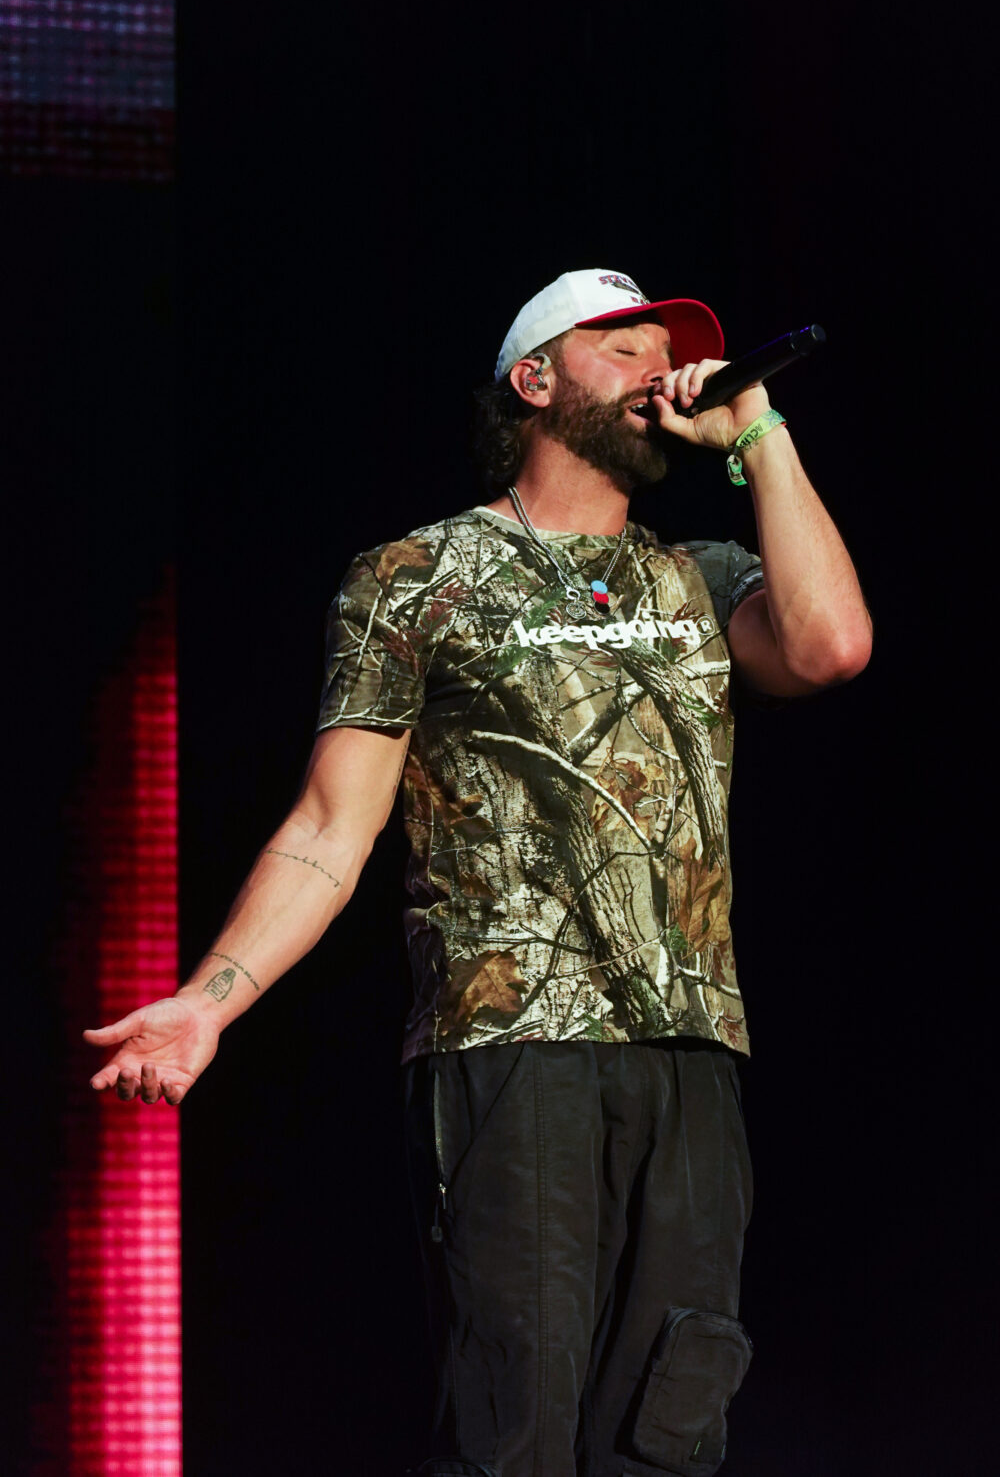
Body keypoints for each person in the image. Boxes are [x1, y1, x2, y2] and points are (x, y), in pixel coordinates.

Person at [85, 269, 872, 1477]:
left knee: (672, 1429)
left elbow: (830, 647)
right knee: (516, 1427)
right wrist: (209, 1000)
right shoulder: (415, 576)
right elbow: (327, 827)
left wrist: (756, 431)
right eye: (622, 346)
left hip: (691, 1047)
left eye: (665, 351)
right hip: (511, 1046)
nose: (657, 369)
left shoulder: (699, 576)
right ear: (534, 379)